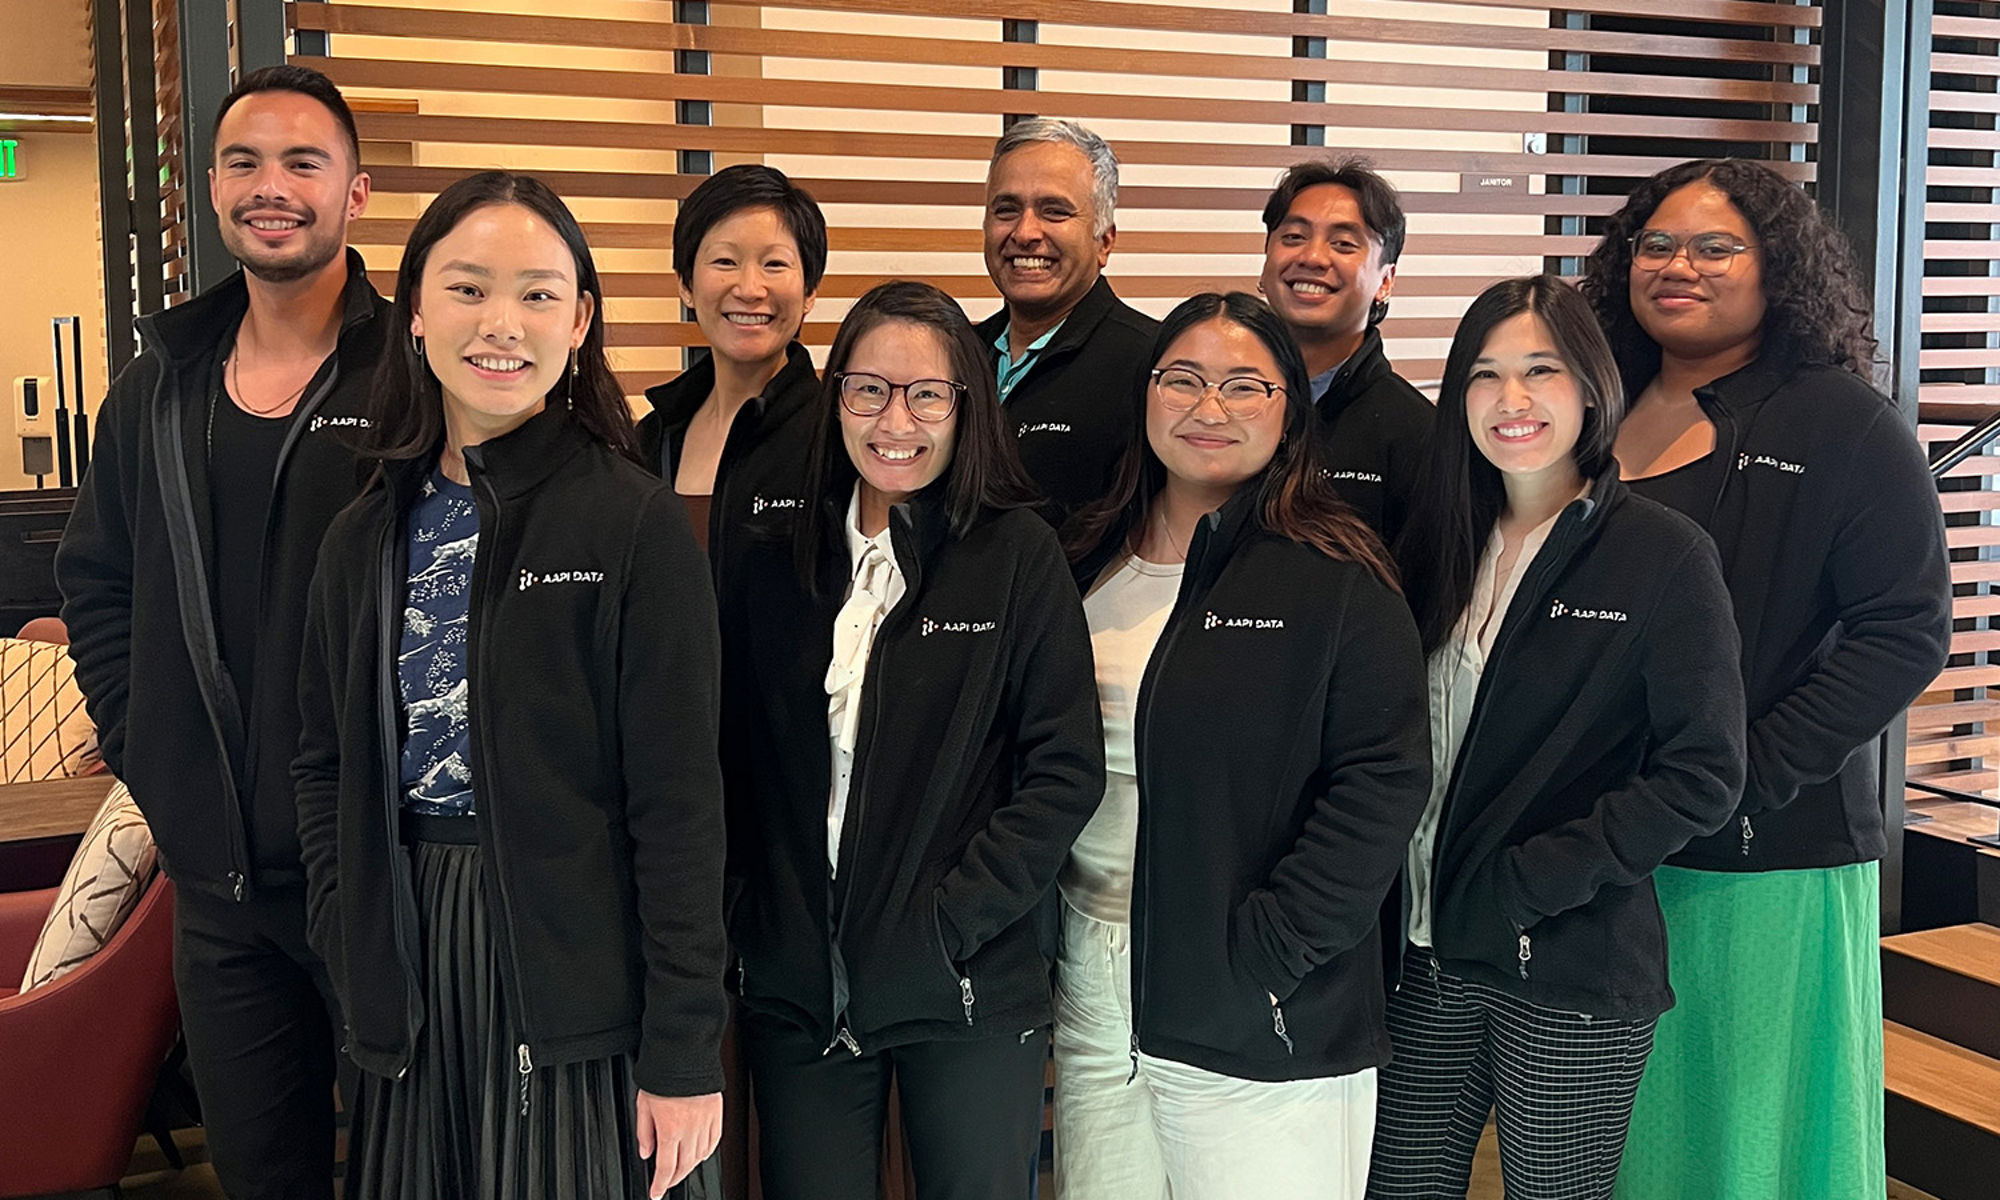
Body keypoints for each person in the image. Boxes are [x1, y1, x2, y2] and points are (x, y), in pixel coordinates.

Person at [292, 171, 726, 1199]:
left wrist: (682, 1052)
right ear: (414, 315)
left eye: (537, 294)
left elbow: (680, 807)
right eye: (468, 288)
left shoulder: (631, 522)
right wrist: (340, 920)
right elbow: (321, 762)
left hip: (578, 974)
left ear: (579, 321)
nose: (502, 323)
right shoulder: (365, 530)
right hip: (408, 957)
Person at [1577, 159, 1953, 1200]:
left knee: (1742, 1133)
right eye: (1654, 243)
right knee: (1611, 1128)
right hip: (1595, 834)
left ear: (1773, 268)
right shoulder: (1589, 400)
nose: (1676, 266)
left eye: (1713, 246)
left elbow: (1904, 630)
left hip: (1757, 851)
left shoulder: (1839, 422)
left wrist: (1741, 775)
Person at [55, 64, 384, 1199]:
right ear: (211, 187)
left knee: (418, 1166)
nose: (271, 186)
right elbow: (96, 579)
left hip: (384, 876)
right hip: (219, 894)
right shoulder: (160, 386)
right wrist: (154, 752)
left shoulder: (416, 375)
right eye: (244, 161)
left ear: (357, 192)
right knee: (260, 1178)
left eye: (304, 161)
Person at [718, 280, 1105, 1200]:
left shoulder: (1016, 554)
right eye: (869, 390)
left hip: (962, 979)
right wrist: (755, 915)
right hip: (799, 981)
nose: (897, 420)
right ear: (837, 399)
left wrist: (945, 927)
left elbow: (1062, 773)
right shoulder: (780, 555)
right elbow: (729, 756)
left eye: (927, 394)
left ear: (966, 404)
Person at [1366, 275, 1746, 1200]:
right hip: (1420, 954)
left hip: (1568, 959)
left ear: (1591, 385)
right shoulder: (1437, 542)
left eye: (1541, 370)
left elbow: (1703, 771)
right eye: (1486, 376)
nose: (1514, 401)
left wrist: (1539, 880)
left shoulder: (1661, 552)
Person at [1055, 292, 1429, 1199]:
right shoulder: (1085, 560)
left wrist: (1274, 946)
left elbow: (1383, 780)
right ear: (1145, 396)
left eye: (1243, 386)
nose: (1207, 408)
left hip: (1254, 985)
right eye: (1182, 379)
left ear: (1291, 409)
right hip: (1091, 972)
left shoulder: (1338, 577)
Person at [637, 163, 825, 574]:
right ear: (686, 283)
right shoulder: (652, 438)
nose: (749, 289)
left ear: (810, 289)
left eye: (774, 264)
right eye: (725, 261)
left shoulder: (837, 434)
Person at [975, 118, 1159, 515]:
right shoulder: (958, 353)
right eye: (1006, 209)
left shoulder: (1150, 364)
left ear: (1104, 240)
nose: (1025, 232)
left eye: (1054, 212)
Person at [1258, 157, 1435, 544]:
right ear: (1266, 258)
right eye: (1293, 237)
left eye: (1343, 244)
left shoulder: (1416, 435)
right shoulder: (1218, 400)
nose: (1313, 257)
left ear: (1385, 281)